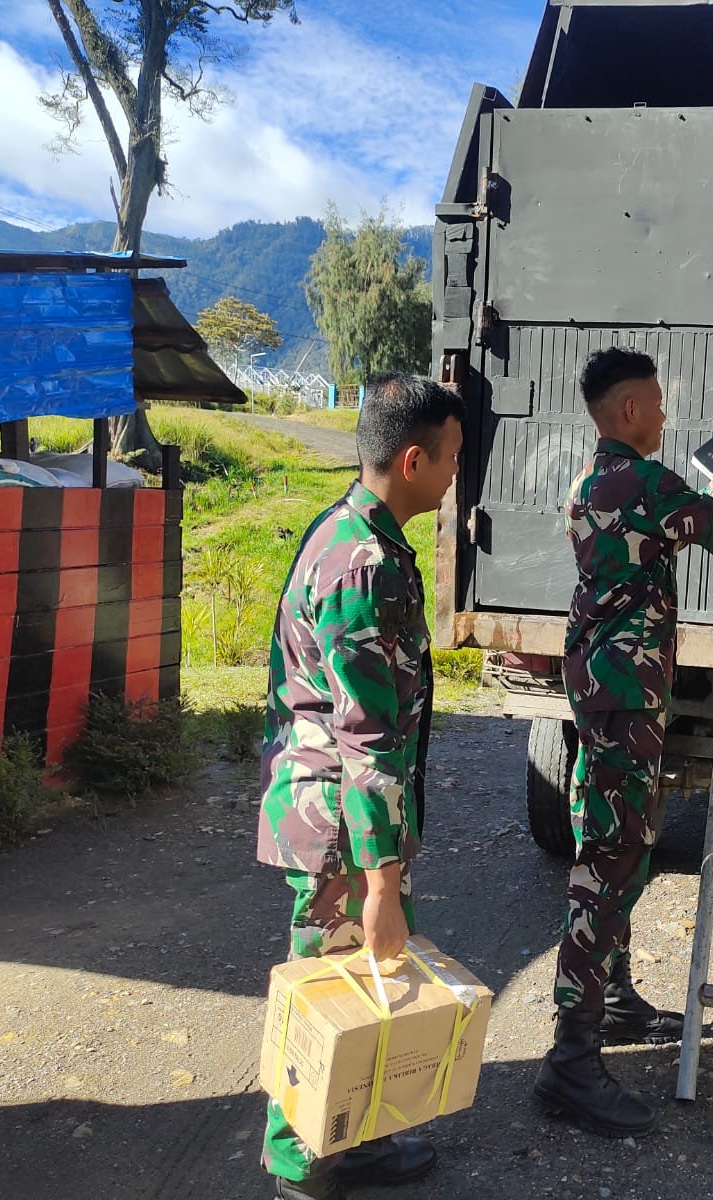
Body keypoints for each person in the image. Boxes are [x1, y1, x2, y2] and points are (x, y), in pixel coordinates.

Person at [535, 346, 713, 1136]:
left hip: (600, 683)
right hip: (625, 694)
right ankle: (571, 1058)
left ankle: (613, 999)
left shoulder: (589, 483)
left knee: (623, 841)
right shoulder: (647, 485)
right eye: (655, 402)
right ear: (627, 409)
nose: (664, 415)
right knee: (609, 861)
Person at [254, 373, 465, 1200]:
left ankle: (360, 1134)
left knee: (361, 987)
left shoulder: (360, 532)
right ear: (412, 459)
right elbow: (366, 741)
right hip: (341, 819)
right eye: (449, 458)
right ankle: (301, 1166)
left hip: (350, 812)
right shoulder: (362, 564)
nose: (454, 474)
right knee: (326, 995)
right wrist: (380, 885)